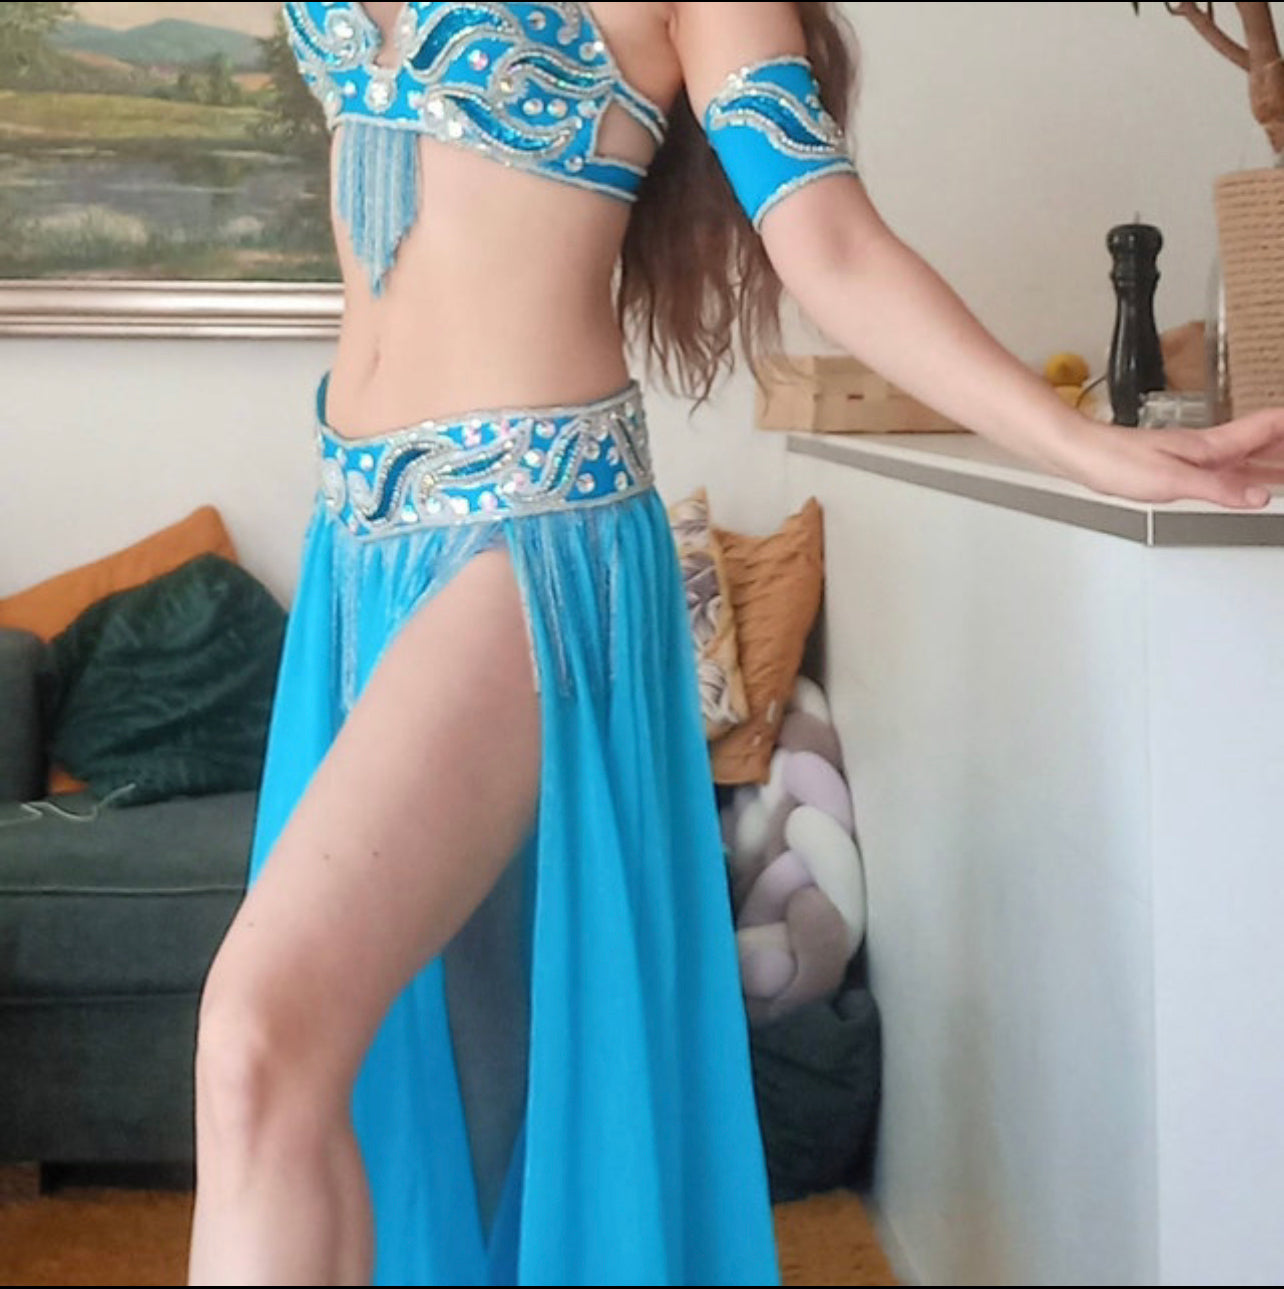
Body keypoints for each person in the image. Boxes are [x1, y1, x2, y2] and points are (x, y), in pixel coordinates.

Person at [186, 3, 1284, 1286]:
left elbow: (832, 240)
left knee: (254, 1036)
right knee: (412, 1094)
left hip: (525, 548)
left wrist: (1082, 445)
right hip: (353, 551)